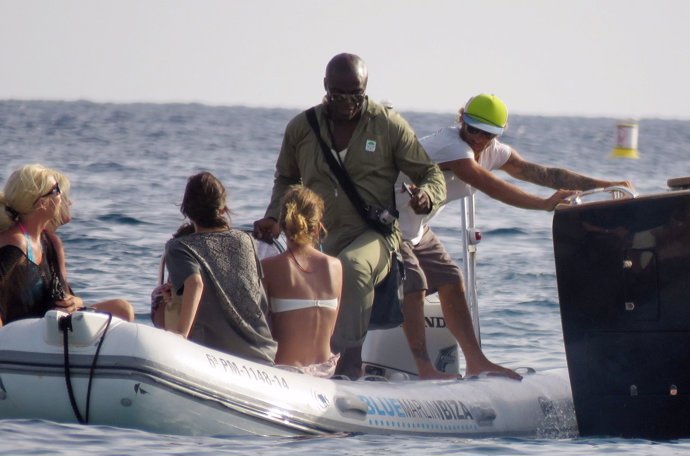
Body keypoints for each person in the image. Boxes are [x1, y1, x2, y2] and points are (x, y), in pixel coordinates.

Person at [396, 93, 634, 379]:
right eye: (472, 129)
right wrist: (543, 204)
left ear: (499, 133)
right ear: (461, 120)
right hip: (390, 223)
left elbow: (542, 173)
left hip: (417, 227)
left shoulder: (494, 151)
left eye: (487, 134)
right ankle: (425, 369)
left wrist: (606, 185)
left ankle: (476, 362)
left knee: (450, 279)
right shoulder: (452, 146)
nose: (478, 138)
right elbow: (489, 185)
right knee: (415, 284)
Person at [254, 53, 446, 378]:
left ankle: (349, 361)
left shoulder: (387, 125)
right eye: (338, 93)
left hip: (374, 235)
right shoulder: (302, 128)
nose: (346, 101)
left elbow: (431, 173)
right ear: (325, 86)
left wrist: (428, 196)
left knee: (351, 266)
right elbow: (287, 178)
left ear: (366, 88)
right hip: (320, 235)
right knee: (265, 266)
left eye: (354, 94)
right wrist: (274, 216)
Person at [0, 164, 134, 327]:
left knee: (122, 309)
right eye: (56, 190)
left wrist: (75, 301)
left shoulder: (47, 241)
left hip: (50, 327)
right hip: (23, 335)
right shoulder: (16, 242)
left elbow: (63, 295)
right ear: (42, 203)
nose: (63, 197)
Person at [165, 171, 277, 364]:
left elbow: (195, 283)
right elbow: (260, 298)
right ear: (223, 209)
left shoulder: (179, 247)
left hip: (215, 356)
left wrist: (181, 336)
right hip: (262, 352)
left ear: (187, 211)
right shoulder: (246, 241)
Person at [261, 187, 342, 377]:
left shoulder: (268, 267)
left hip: (285, 374)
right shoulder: (335, 266)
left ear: (282, 225)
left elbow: (261, 331)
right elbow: (330, 330)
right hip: (325, 372)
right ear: (317, 227)